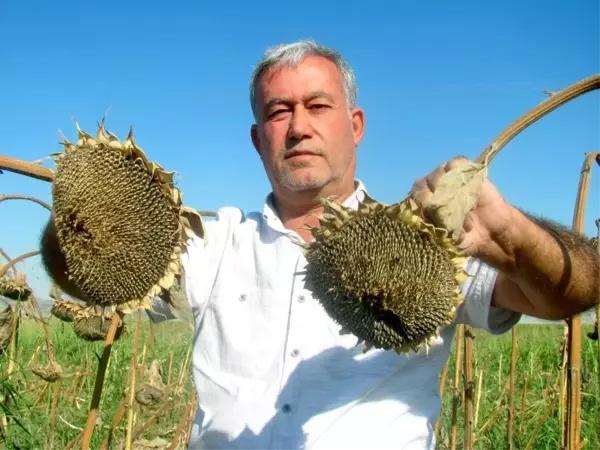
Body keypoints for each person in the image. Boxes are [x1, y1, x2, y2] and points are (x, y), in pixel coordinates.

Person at [39, 40, 600, 449]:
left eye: (317, 105)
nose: (299, 126)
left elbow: (573, 293)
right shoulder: (216, 243)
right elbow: (103, 272)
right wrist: (83, 220)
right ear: (259, 139)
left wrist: (515, 237)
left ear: (355, 125)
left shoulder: (425, 243)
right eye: (279, 111)